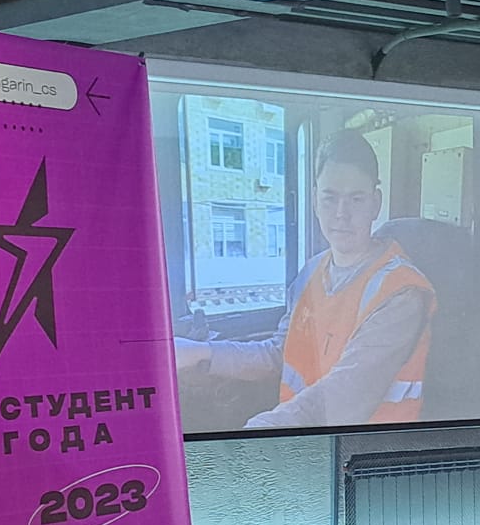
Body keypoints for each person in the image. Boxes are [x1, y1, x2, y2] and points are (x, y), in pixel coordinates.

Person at [175, 130, 436, 429]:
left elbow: (344, 396)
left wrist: (260, 433)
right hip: (309, 436)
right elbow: (279, 353)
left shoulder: (400, 292)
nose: (341, 213)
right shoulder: (311, 272)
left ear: (375, 204)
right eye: (330, 198)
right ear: (314, 200)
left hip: (366, 448)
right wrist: (202, 353)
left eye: (356, 199)